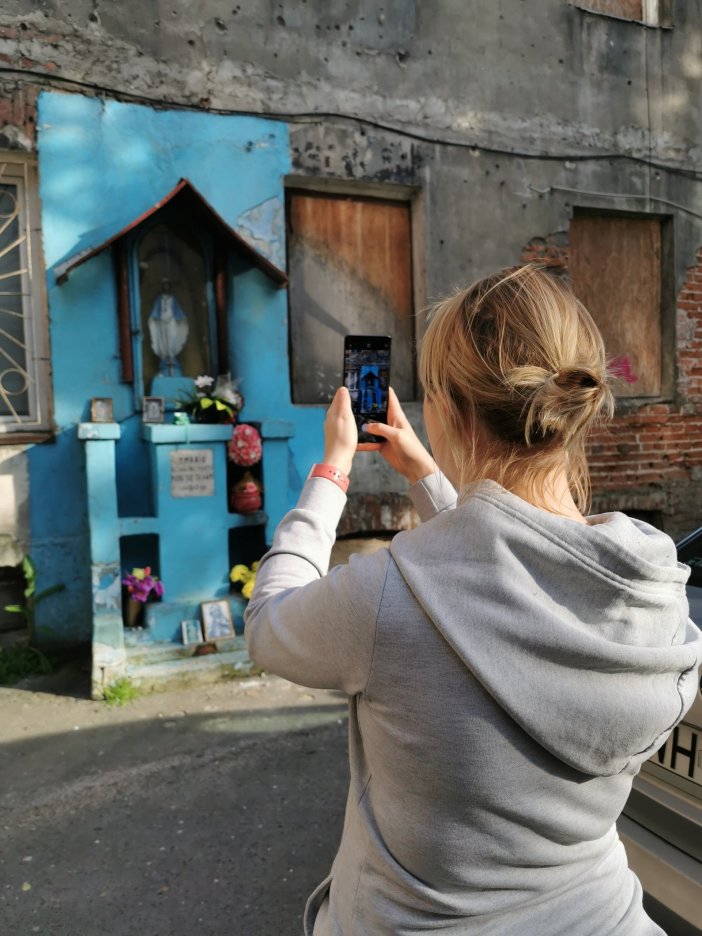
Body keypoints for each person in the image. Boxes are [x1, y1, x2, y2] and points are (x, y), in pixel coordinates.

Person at [244, 265, 702, 935]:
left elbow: (269, 623)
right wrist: (427, 475)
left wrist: (332, 469)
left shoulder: (388, 597)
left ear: (451, 412)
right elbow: (506, 575)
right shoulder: (656, 588)